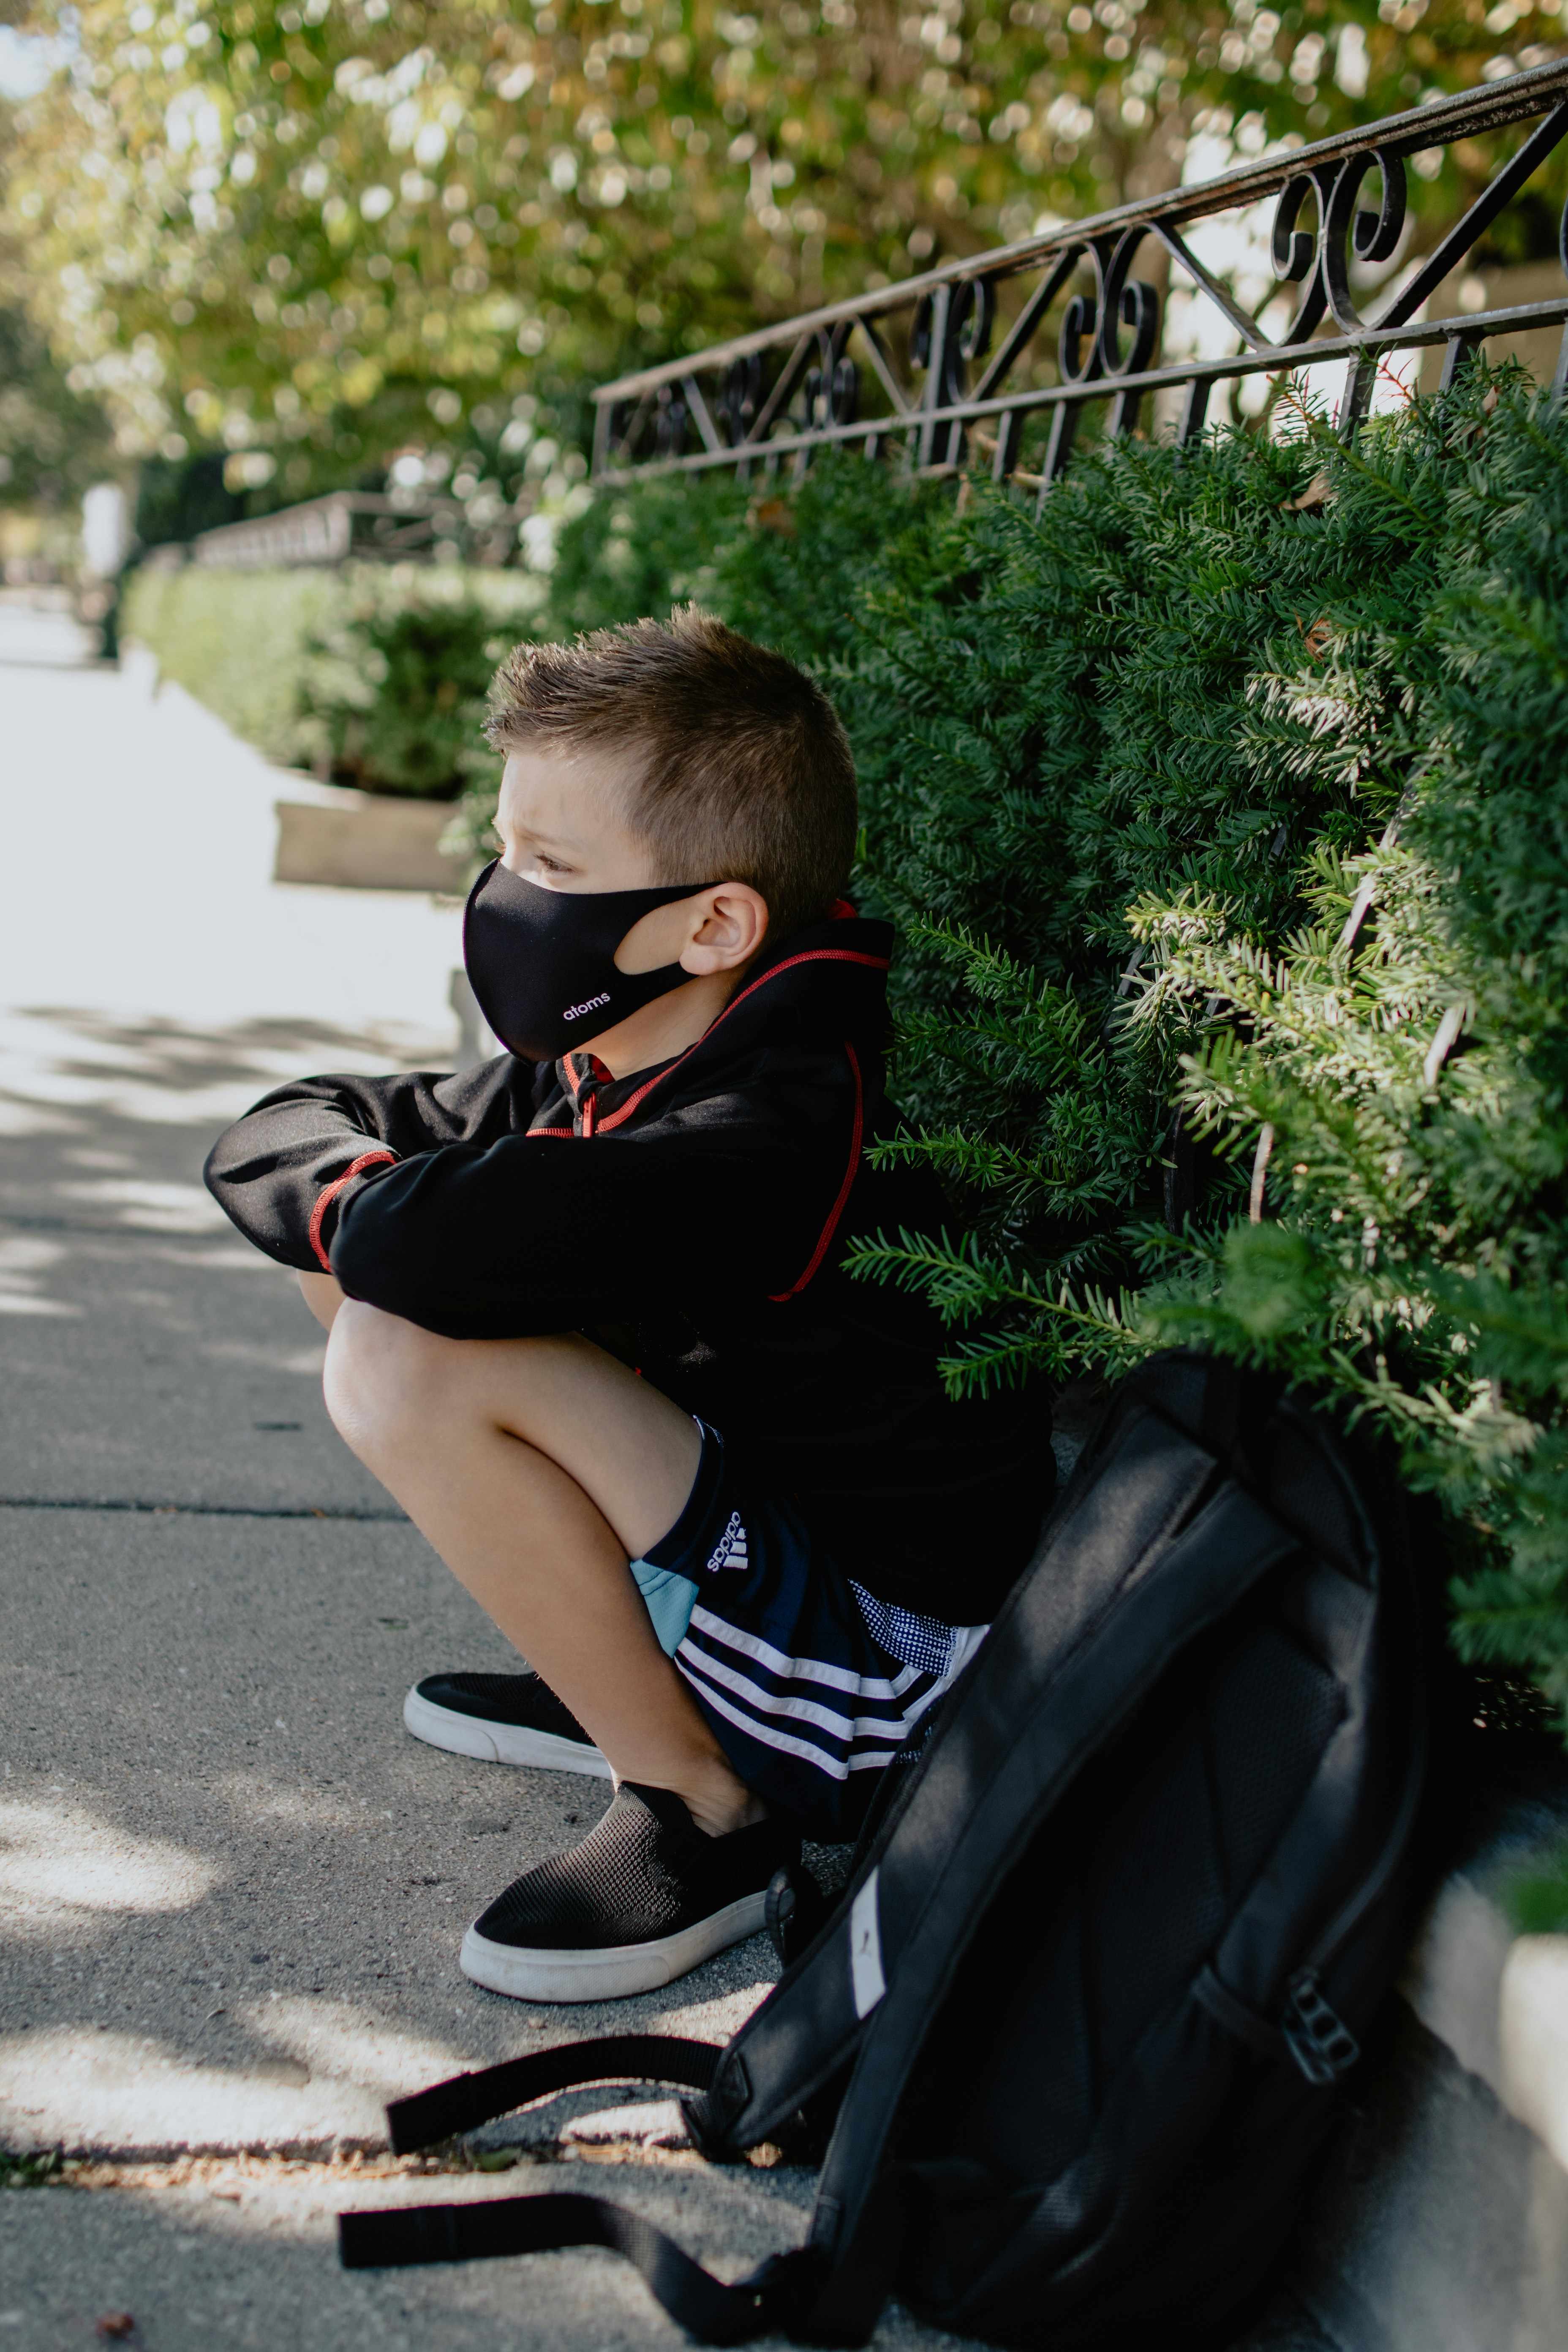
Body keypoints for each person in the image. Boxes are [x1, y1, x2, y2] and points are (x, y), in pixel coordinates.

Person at [205, 608, 1054, 2004]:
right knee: (363, 1256)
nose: (504, 894)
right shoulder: (620, 1055)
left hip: (887, 1673)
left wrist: (376, 1218)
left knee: (401, 1351)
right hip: (765, 1537)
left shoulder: (767, 1129)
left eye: (551, 865)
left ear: (714, 921)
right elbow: (282, 1128)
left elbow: (417, 1255)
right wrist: (366, 1208)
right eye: (503, 847)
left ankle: (710, 1799)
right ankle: (634, 1672)